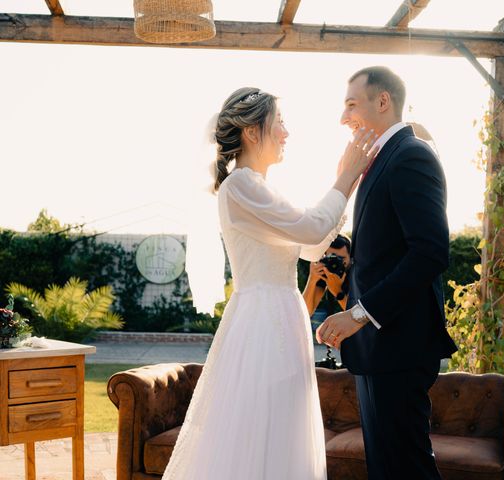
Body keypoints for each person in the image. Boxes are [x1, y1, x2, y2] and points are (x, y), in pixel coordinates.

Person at [162, 87, 378, 479]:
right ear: (251, 131)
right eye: (279, 121)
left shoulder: (261, 188)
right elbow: (312, 228)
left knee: (283, 431)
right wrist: (345, 176)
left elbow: (312, 246)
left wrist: (342, 188)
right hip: (261, 323)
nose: (285, 132)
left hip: (283, 314)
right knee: (261, 431)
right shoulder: (240, 186)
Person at [316, 66, 458, 479]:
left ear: (383, 102)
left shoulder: (411, 155)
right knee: (386, 469)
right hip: (380, 348)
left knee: (406, 468)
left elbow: (429, 253)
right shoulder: (379, 160)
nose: (344, 118)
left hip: (399, 345)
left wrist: (359, 313)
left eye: (351, 105)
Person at [302, 233, 351, 317]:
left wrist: (338, 292)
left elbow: (360, 316)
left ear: (351, 257)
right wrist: (312, 279)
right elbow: (304, 313)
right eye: (332, 258)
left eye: (341, 259)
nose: (335, 263)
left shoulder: (356, 274)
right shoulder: (325, 271)